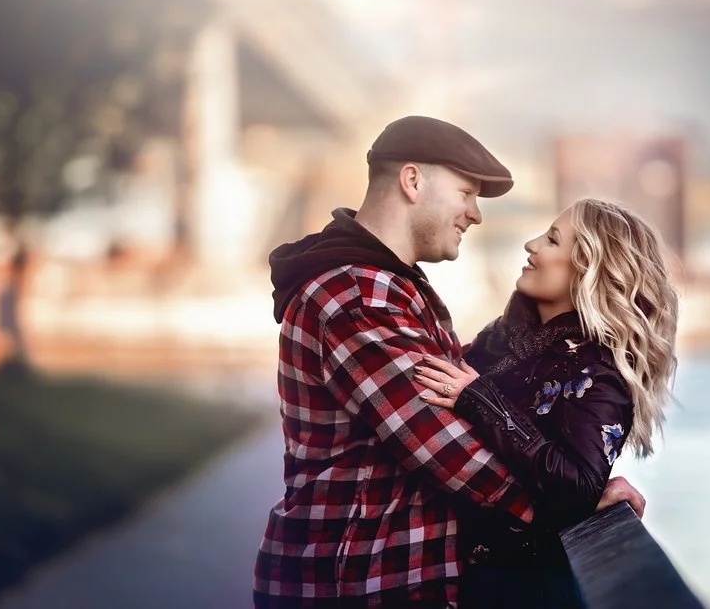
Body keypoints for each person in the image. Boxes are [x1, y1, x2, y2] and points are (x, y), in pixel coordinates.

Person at [253, 116, 645, 609]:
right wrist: (573, 505)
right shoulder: (359, 295)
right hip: (356, 579)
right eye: (466, 193)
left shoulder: (394, 287)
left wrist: (573, 481)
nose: (475, 215)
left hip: (382, 575)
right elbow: (444, 446)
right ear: (412, 181)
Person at [414, 198, 680, 608]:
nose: (531, 244)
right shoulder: (502, 338)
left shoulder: (600, 371)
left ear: (588, 270)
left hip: (523, 590)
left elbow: (577, 486)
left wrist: (480, 399)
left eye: (552, 240)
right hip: (459, 575)